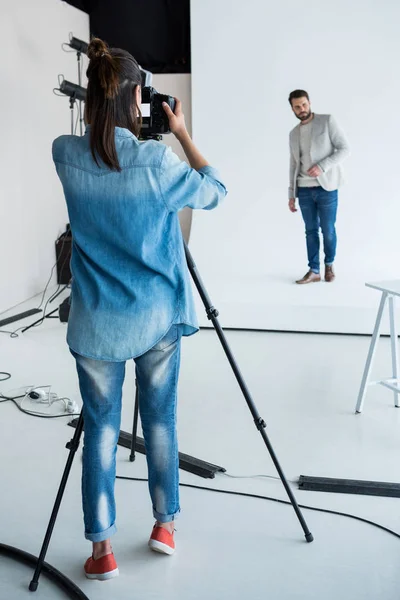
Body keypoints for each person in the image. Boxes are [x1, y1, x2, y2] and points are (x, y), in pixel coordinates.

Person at [52, 38, 227, 581]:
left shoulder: (63, 152)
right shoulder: (155, 161)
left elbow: (94, 146)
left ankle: (101, 551)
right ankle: (164, 527)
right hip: (154, 319)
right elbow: (215, 189)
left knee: (101, 430)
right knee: (160, 422)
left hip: (96, 322)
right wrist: (179, 132)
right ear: (135, 100)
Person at [288, 90, 350, 284]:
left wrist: (323, 166)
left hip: (327, 187)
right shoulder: (293, 133)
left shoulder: (327, 121)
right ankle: (314, 270)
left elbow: (345, 149)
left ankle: (329, 264)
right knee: (310, 231)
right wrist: (291, 193)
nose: (302, 109)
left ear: (309, 103)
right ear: (292, 108)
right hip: (304, 189)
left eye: (304, 104)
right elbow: (293, 163)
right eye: (297, 106)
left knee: (328, 229)